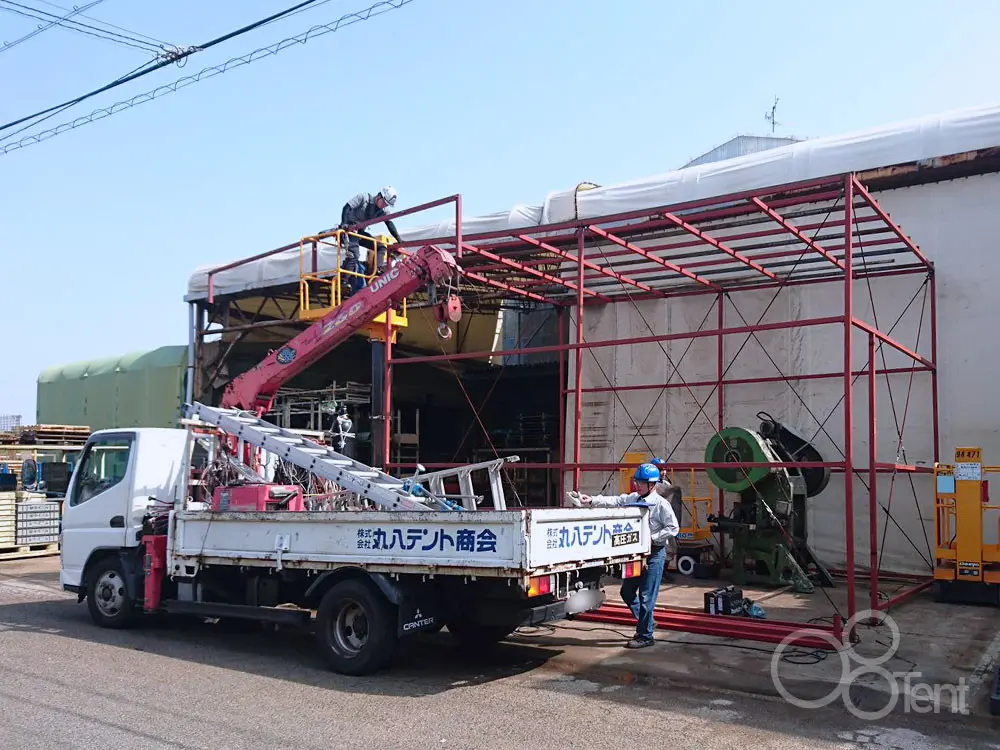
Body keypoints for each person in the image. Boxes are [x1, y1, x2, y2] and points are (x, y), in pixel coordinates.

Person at [565, 463, 680, 649]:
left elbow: (673, 528)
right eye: (636, 482)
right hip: (636, 556)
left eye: (641, 483)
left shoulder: (661, 504)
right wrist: (591, 500)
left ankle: (645, 636)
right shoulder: (634, 498)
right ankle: (647, 622)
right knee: (626, 592)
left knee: (646, 597)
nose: (637, 485)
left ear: (652, 485)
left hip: (654, 555)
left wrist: (652, 538)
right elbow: (616, 501)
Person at [338, 186, 402, 282]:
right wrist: (344, 223)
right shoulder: (363, 198)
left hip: (360, 233)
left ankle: (377, 272)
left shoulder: (383, 210)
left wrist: (399, 239)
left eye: (387, 205)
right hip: (349, 230)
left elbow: (389, 223)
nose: (384, 206)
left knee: (381, 247)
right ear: (379, 196)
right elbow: (346, 207)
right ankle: (344, 280)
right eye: (384, 203)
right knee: (355, 254)